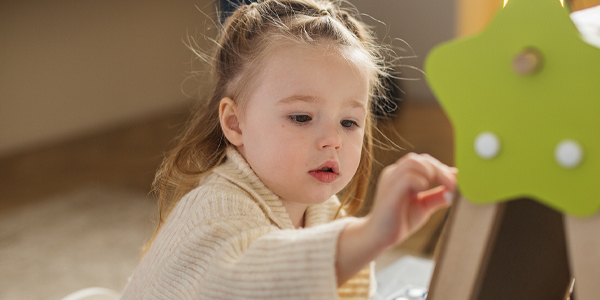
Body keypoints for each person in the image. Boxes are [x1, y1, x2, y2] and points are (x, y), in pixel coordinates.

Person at [120, 0, 457, 299]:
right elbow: (249, 281)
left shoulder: (324, 210)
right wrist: (370, 235)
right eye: (301, 117)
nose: (333, 139)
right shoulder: (213, 208)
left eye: (349, 122)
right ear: (235, 123)